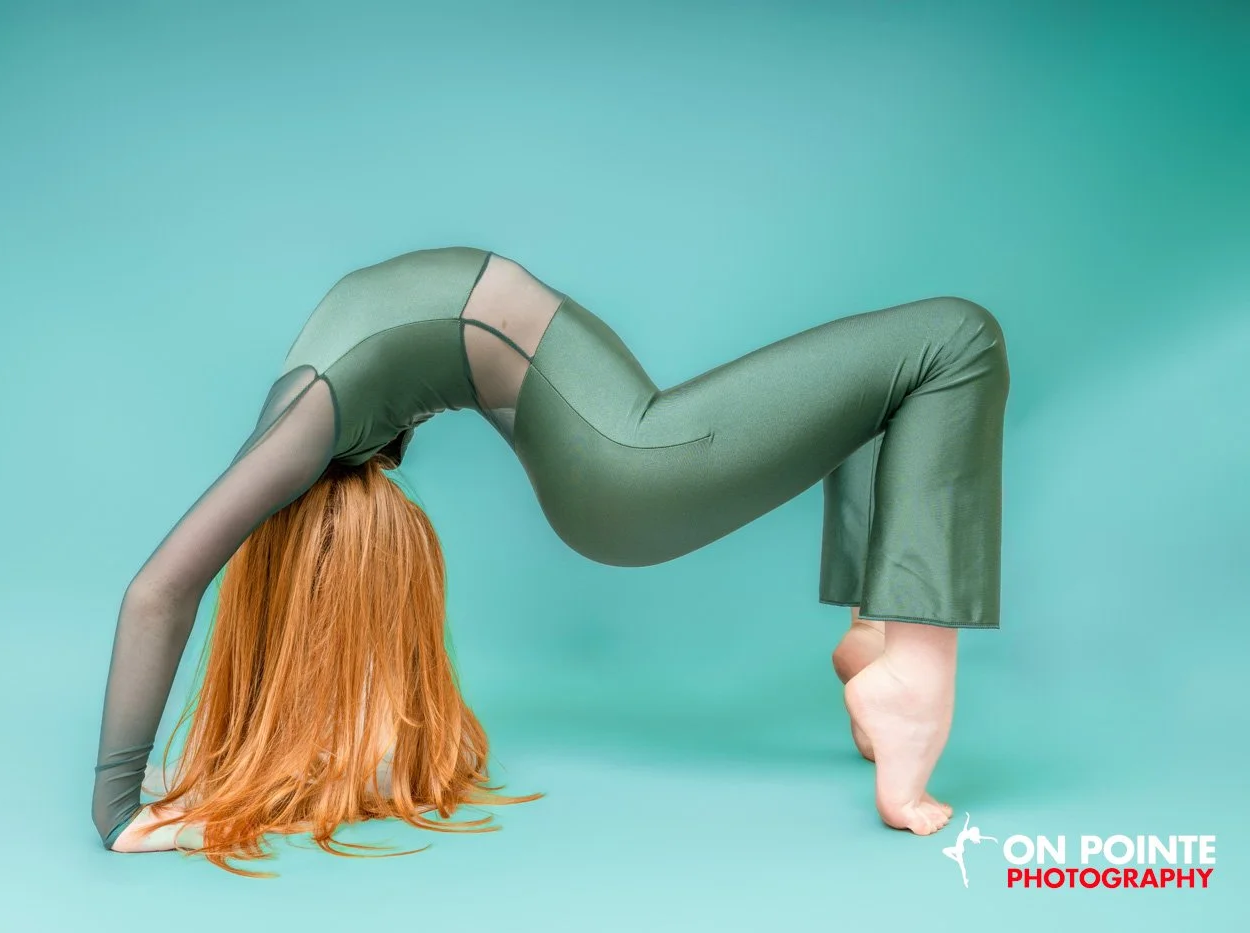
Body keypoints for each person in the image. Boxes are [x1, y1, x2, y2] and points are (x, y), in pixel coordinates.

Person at [92, 247, 1009, 874]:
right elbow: (157, 590)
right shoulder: (299, 427)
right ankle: (913, 674)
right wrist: (119, 807)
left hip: (615, 443)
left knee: (880, 392)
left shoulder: (302, 433)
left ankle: (871, 631)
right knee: (955, 341)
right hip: (627, 457)